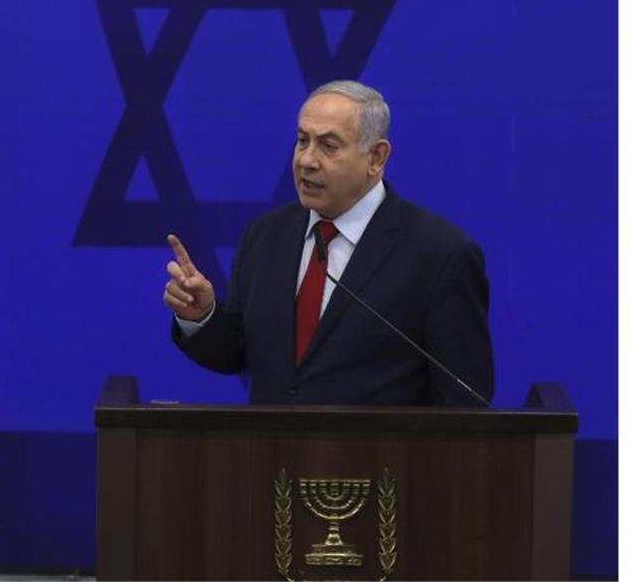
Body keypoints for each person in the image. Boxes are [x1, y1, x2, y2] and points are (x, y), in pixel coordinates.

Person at [163, 80, 494, 406]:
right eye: (302, 140)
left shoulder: (440, 254)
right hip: (269, 456)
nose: (306, 160)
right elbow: (237, 353)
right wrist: (201, 317)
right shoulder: (265, 236)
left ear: (376, 157)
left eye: (328, 145)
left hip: (380, 459)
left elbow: (463, 402)